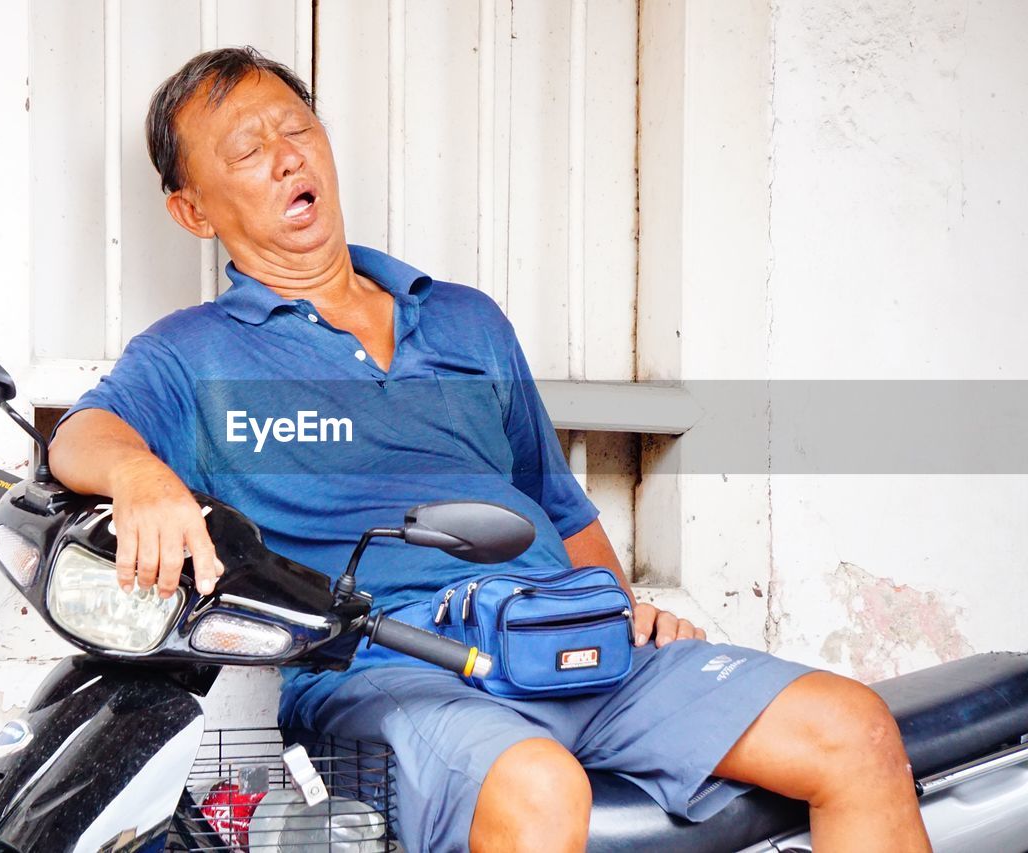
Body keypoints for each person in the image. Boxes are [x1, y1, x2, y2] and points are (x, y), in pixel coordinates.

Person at [48, 47, 932, 853]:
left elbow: (554, 502)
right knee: (539, 786)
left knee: (851, 728)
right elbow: (83, 434)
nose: (289, 157)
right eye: (247, 150)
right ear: (191, 209)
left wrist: (619, 607)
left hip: (564, 641)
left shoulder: (466, 319)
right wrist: (139, 474)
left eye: (298, 128)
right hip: (389, 668)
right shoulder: (191, 354)